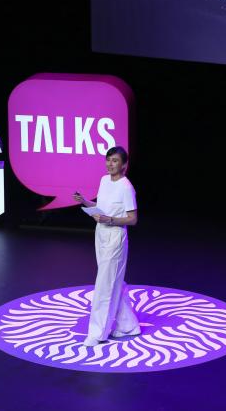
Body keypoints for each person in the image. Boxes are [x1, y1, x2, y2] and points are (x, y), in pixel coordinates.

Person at [73, 146, 141, 347]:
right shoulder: (104, 180)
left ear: (124, 165)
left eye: (115, 160)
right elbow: (101, 207)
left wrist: (110, 219)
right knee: (114, 282)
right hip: (100, 233)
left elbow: (133, 219)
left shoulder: (126, 187)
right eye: (108, 159)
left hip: (115, 235)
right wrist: (85, 201)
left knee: (105, 284)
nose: (110, 164)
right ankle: (129, 326)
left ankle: (97, 333)